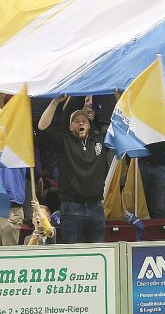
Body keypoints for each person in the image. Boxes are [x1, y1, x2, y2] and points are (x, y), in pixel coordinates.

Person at [38, 96, 111, 243]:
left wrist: (117, 96)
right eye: (77, 121)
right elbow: (42, 127)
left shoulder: (100, 141)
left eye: (84, 121)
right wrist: (54, 103)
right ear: (71, 126)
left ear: (89, 125)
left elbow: (121, 124)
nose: (81, 123)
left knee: (98, 249)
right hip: (71, 208)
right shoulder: (63, 142)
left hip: (96, 207)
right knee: (72, 252)